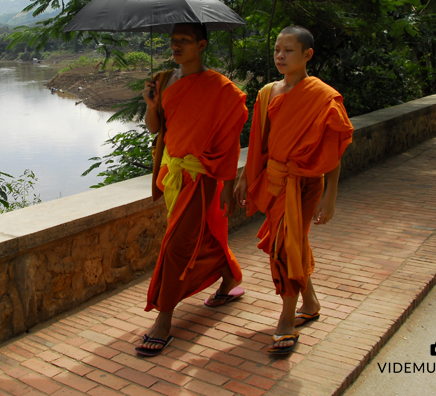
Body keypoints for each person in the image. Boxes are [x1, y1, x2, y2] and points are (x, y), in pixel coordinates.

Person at [234, 25, 353, 355]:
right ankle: (310, 302)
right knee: (292, 244)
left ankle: (287, 318)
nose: (281, 56)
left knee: (286, 247)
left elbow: (333, 151)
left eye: (288, 50)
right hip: (274, 181)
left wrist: (330, 196)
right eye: (277, 50)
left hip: (304, 183)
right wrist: (246, 178)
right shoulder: (268, 92)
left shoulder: (323, 97)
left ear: (307, 55)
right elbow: (259, 142)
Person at [135, 22, 249, 357]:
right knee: (198, 236)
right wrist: (151, 104)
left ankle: (164, 319)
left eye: (184, 41)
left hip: (202, 175)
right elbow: (156, 129)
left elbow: (230, 143)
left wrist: (228, 186)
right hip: (173, 172)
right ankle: (229, 278)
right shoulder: (162, 80)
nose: (176, 46)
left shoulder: (222, 89)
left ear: (201, 45)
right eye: (173, 41)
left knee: (176, 245)